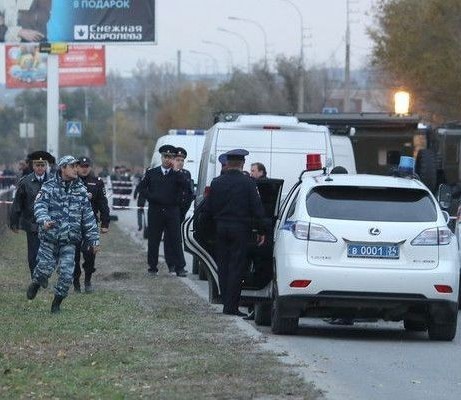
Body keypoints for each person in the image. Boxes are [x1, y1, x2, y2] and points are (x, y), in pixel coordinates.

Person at [26, 155, 100, 314]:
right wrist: (44, 220)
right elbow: (40, 206)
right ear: (63, 168)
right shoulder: (49, 187)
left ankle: (56, 304)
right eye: (73, 166)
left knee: (67, 274)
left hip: (70, 241)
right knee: (44, 270)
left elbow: (88, 217)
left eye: (77, 166)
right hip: (50, 239)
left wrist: (94, 239)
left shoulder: (81, 190)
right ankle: (36, 283)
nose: (76, 169)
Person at [203, 149, 266, 317]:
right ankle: (231, 306)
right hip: (241, 229)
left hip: (221, 228)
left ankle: (226, 301)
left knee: (223, 266)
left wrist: (209, 231)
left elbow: (207, 209)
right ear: (242, 164)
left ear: (227, 164)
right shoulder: (248, 183)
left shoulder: (217, 182)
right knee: (237, 268)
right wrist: (261, 230)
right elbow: (256, 208)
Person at [139, 145, 188, 277]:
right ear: (161, 157)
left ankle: (180, 267)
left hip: (172, 211)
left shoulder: (177, 174)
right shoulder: (152, 173)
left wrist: (177, 171)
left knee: (175, 239)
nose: (168, 160)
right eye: (165, 157)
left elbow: (186, 186)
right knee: (153, 240)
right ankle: (152, 267)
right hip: (155, 210)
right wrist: (152, 197)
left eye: (170, 157)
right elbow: (141, 188)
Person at [9, 151, 53, 278]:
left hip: (49, 224)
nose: (40, 168)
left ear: (46, 166)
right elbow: (17, 203)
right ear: (33, 166)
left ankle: (43, 276)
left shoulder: (53, 182)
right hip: (32, 223)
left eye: (42, 165)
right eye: (37, 165)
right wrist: (14, 222)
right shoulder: (25, 182)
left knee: (47, 253)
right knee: (33, 254)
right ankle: (35, 278)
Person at [73, 156, 110, 293]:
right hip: (74, 224)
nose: (84, 169)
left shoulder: (97, 182)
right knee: (73, 255)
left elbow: (103, 204)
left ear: (90, 167)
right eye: (81, 166)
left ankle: (87, 280)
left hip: (90, 224)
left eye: (86, 166)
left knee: (89, 254)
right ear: (76, 167)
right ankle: (76, 282)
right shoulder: (71, 181)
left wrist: (105, 223)